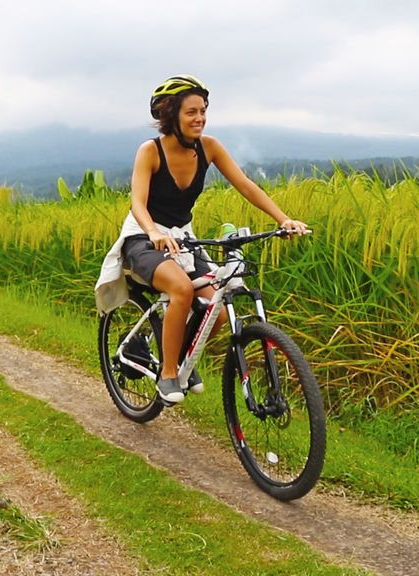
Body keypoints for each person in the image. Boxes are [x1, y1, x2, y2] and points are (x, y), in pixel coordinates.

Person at [95, 74, 308, 405]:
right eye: (191, 112)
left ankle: (180, 358)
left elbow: (246, 185)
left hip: (184, 240)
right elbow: (137, 201)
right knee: (180, 289)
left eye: (203, 111)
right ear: (171, 116)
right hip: (144, 238)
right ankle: (168, 374)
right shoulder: (150, 151)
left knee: (217, 310)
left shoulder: (209, 148)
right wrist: (153, 231)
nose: (200, 119)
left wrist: (283, 218)